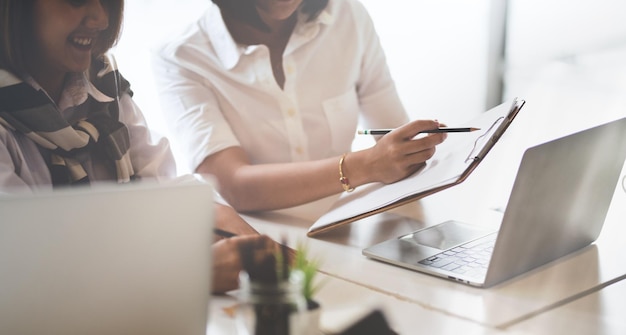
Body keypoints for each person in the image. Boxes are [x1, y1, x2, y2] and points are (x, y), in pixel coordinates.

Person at [0, 0, 275, 294]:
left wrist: (221, 220)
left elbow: (160, 185)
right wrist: (186, 274)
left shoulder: (104, 85)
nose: (101, 18)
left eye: (107, 1)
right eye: (76, 0)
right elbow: (23, 273)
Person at [152, 0, 447, 213]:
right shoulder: (181, 57)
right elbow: (235, 185)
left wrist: (415, 151)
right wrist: (367, 165)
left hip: (348, 229)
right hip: (259, 246)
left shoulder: (348, 16)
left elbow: (395, 140)